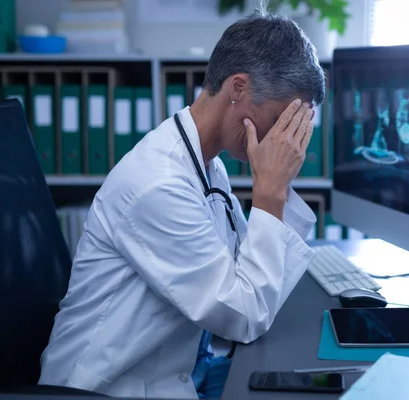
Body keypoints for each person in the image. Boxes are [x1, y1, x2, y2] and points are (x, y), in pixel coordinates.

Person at [37, 7, 326, 400]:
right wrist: (270, 189)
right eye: (281, 121)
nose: (285, 141)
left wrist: (277, 185)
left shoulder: (207, 165)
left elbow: (252, 278)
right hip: (109, 388)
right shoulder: (157, 183)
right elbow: (244, 314)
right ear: (238, 88)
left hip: (184, 368)